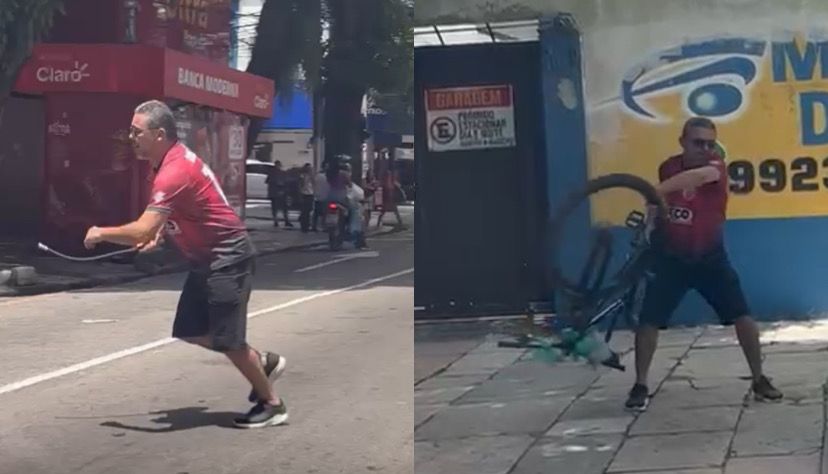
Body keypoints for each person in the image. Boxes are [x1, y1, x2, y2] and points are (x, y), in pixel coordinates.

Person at [83, 100, 288, 429]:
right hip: (205, 258)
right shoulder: (168, 162)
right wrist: (162, 231)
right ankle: (262, 362)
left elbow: (141, 228)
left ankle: (272, 404)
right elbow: (182, 209)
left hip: (228, 256)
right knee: (190, 330)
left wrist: (102, 232)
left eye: (137, 132)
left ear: (159, 134)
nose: (131, 138)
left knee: (229, 340)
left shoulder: (174, 171)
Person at [624, 116, 782, 412]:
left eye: (710, 143)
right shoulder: (668, 167)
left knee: (743, 316)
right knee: (648, 322)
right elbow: (663, 206)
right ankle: (641, 384)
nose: (705, 148)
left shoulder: (717, 166)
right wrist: (650, 225)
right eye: (698, 143)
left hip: (710, 258)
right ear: (682, 141)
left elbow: (694, 179)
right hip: (672, 258)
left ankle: (759, 379)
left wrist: (654, 190)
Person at [327, 159, 368, 249]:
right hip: (342, 198)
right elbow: (350, 185)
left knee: (329, 214)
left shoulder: (329, 174)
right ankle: (353, 230)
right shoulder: (344, 174)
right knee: (355, 212)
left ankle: (335, 239)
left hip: (331, 197)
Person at [266, 160, 292, 228]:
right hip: (281, 193)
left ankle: (276, 221)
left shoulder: (271, 173)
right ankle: (286, 221)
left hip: (273, 193)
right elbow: (283, 182)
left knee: (275, 208)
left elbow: (267, 181)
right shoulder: (282, 173)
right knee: (284, 208)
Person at [311, 164, 329, 232]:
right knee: (324, 212)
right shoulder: (326, 176)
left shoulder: (317, 176)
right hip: (324, 196)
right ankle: (323, 226)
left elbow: (314, 184)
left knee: (317, 212)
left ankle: (314, 226)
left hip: (318, 196)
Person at [297, 163, 315, 233]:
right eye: (309, 168)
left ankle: (306, 225)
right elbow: (300, 185)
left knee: (308, 210)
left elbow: (314, 184)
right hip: (304, 194)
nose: (310, 170)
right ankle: (304, 226)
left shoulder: (311, 176)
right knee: (305, 211)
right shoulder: (302, 176)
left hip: (310, 194)